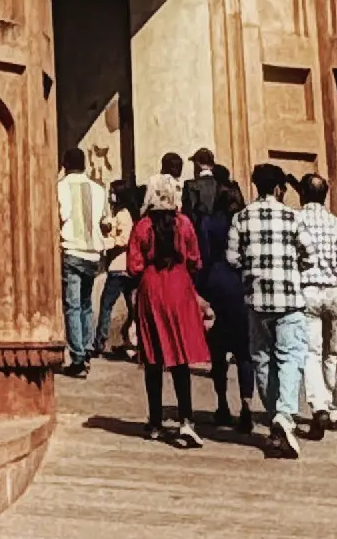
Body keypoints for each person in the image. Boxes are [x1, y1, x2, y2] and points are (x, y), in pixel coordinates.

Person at [234, 161, 317, 457]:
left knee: (262, 359)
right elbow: (309, 254)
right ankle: (285, 414)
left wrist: (253, 269)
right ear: (280, 188)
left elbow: (232, 258)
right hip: (289, 299)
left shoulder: (241, 218)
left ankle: (275, 419)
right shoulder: (291, 217)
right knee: (291, 355)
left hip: (256, 299)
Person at [127, 175, 209, 448]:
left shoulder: (143, 226)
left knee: (153, 357)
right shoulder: (183, 224)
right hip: (179, 287)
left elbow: (134, 265)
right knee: (179, 356)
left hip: (152, 288)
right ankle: (186, 419)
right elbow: (196, 259)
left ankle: (155, 421)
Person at [295, 172, 337, 435]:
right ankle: (336, 409)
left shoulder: (296, 220)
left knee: (311, 352)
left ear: (302, 194)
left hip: (308, 292)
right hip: (335, 291)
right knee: (333, 353)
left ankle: (319, 407)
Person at [195, 166, 253, 433]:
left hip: (216, 283)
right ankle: (247, 406)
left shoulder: (209, 223)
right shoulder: (245, 222)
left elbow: (203, 258)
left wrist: (201, 292)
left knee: (218, 352)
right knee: (244, 352)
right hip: (242, 285)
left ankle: (222, 404)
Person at [57, 155, 113, 377]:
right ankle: (87, 349)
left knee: (72, 305)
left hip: (72, 249)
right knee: (86, 303)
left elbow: (62, 215)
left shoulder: (61, 187)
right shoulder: (98, 189)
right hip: (93, 253)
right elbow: (104, 221)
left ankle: (78, 356)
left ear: (66, 165)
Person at [93, 178, 144, 364]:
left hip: (118, 266)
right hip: (125, 267)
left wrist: (106, 243)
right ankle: (131, 340)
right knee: (132, 307)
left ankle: (100, 342)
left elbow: (124, 239)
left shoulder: (123, 214)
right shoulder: (126, 213)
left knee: (106, 305)